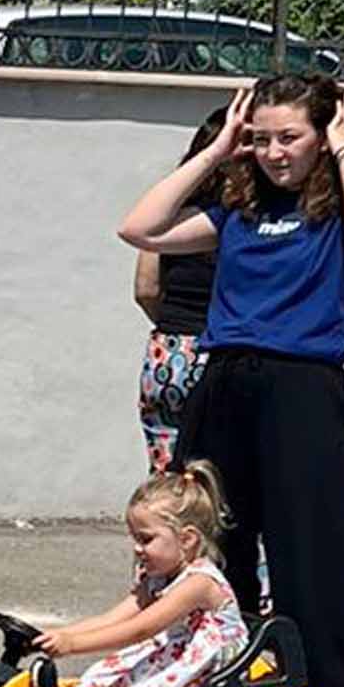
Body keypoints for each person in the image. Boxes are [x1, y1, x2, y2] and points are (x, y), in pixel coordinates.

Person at [119, 73, 344, 687]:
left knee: (317, 584)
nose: (275, 153)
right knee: (208, 572)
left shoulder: (342, 208)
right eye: (264, 137)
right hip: (223, 389)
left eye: (291, 137)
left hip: (301, 394)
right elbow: (138, 226)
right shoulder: (238, 208)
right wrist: (217, 149)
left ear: (324, 134)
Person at [35, 462, 247, 687]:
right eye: (134, 538)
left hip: (209, 673)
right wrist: (57, 635)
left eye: (146, 539)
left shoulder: (198, 583)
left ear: (187, 539)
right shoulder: (158, 578)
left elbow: (141, 628)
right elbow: (112, 619)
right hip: (174, 656)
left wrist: (71, 645)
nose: (137, 548)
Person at [134, 108, 228, 474]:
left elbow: (146, 289)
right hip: (222, 353)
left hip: (168, 352)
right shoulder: (244, 219)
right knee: (222, 474)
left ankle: (165, 530)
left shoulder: (168, 215)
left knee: (168, 473)